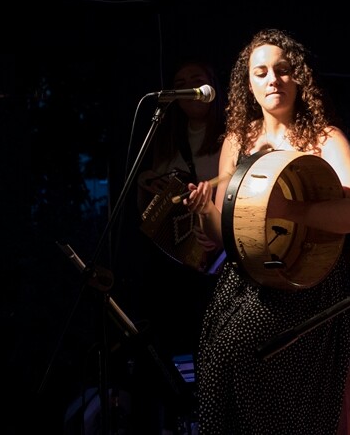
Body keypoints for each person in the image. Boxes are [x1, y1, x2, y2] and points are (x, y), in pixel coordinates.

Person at [184, 28, 350, 434]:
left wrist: (290, 209)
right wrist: (203, 212)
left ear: (298, 79)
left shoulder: (325, 138)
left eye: (283, 70)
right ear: (248, 86)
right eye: (261, 72)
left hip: (306, 283)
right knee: (216, 355)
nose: (273, 79)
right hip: (247, 279)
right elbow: (225, 234)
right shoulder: (237, 142)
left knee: (244, 347)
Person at [131, 59, 227, 430]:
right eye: (180, 82)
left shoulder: (230, 137)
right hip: (170, 254)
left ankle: (210, 419)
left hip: (214, 254)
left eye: (197, 80)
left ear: (213, 87)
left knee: (209, 346)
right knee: (157, 345)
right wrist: (149, 185)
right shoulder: (166, 136)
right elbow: (147, 214)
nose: (188, 88)